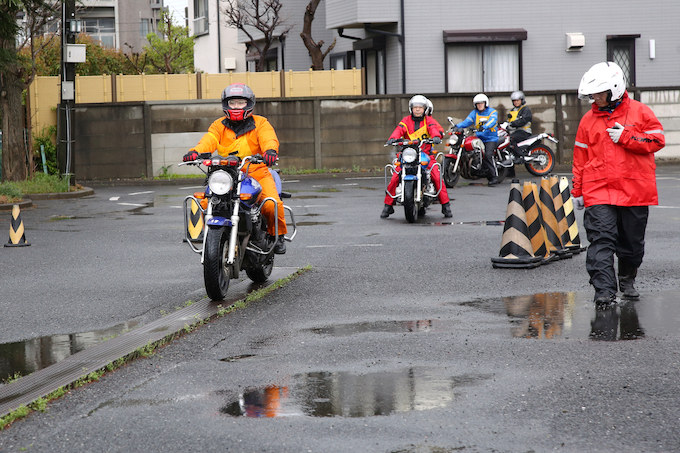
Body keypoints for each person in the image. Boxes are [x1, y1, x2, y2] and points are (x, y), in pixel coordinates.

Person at [571, 61, 665, 308]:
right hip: (599, 189)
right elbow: (580, 158)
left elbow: (657, 141)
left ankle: (627, 278)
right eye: (592, 94)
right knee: (601, 240)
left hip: (634, 190)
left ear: (614, 89)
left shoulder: (641, 112)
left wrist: (626, 136)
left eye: (598, 93)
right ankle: (604, 292)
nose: (595, 98)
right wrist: (577, 191)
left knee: (632, 244)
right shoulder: (587, 120)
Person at [183, 83, 288, 254]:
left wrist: (270, 151)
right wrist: (195, 152)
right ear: (226, 105)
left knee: (271, 204)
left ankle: (278, 235)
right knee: (205, 202)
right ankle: (209, 237)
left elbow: (269, 138)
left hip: (256, 171)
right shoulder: (218, 125)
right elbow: (208, 140)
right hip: (225, 173)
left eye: (241, 103)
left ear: (249, 104)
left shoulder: (260, 123)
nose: (237, 107)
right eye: (233, 103)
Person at [381, 95, 452, 219]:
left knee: (436, 174)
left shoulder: (429, 121)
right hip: (408, 154)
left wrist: (436, 137)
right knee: (395, 176)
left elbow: (434, 129)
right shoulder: (405, 120)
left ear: (425, 109)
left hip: (426, 154)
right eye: (415, 107)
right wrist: (392, 138)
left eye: (420, 107)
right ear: (411, 109)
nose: (417, 110)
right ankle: (388, 206)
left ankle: (445, 205)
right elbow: (399, 129)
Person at [455, 93, 501, 186]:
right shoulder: (474, 113)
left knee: (488, 155)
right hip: (479, 137)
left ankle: (494, 176)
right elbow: (467, 121)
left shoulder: (492, 112)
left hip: (490, 138)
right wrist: (456, 127)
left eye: (481, 103)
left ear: (485, 103)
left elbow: (492, 121)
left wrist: (484, 126)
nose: (480, 105)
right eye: (478, 104)